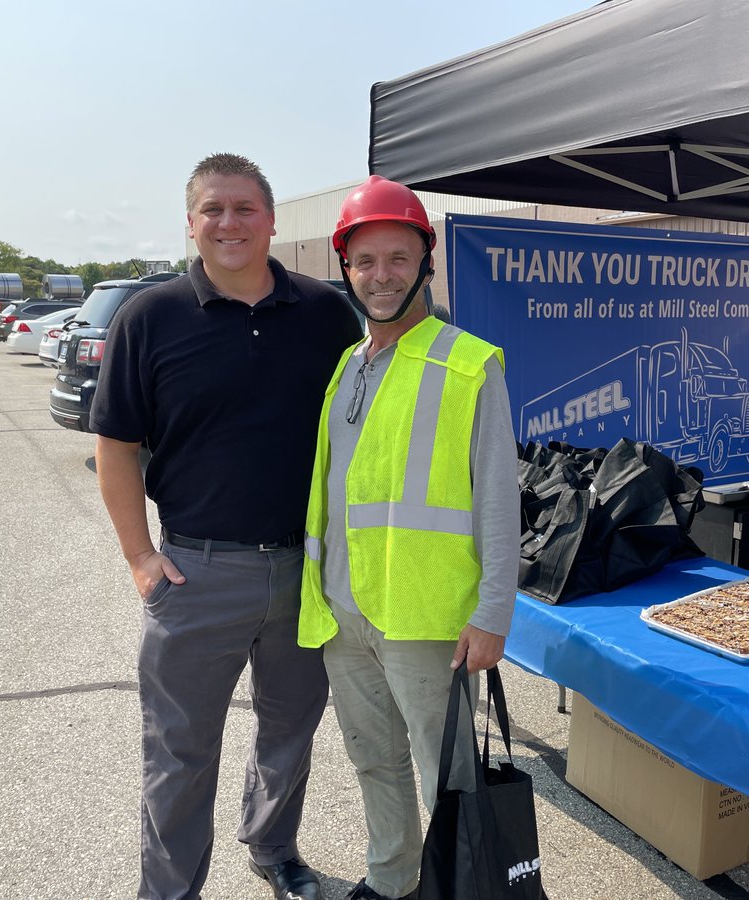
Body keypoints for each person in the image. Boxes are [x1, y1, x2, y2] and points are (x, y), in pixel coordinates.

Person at [92, 153, 363, 900]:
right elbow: (114, 448)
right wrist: (140, 556)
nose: (229, 223)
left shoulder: (327, 313)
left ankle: (273, 847)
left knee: (290, 731)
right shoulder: (149, 317)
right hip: (197, 572)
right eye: (213, 210)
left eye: (244, 209)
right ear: (191, 224)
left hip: (304, 573)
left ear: (272, 221)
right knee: (179, 753)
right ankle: (171, 890)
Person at [297, 175, 520, 900]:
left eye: (397, 258)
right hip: (345, 612)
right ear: (346, 269)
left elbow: (497, 498)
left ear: (427, 260)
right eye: (365, 261)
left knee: (446, 775)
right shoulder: (347, 365)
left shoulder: (468, 364)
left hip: (426, 618)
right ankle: (392, 881)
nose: (380, 275)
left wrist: (493, 612)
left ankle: (459, 890)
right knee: (374, 762)